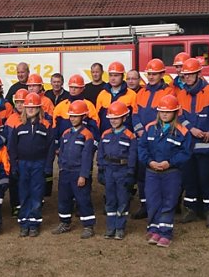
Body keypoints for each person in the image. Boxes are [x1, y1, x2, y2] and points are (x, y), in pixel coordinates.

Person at [137, 95, 191, 248]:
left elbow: (185, 153)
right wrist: (149, 162)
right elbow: (142, 148)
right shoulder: (150, 128)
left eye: (168, 112)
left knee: (169, 201)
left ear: (175, 112)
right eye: (162, 112)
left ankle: (165, 233)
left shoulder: (182, 131)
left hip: (171, 173)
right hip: (152, 171)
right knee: (153, 200)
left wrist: (170, 163)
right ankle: (154, 229)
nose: (165, 114)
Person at [176, 56, 209, 228]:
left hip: (205, 145)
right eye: (184, 75)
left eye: (190, 75)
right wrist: (191, 129)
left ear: (198, 74)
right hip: (187, 144)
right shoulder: (181, 94)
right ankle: (191, 208)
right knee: (189, 178)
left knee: (205, 178)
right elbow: (179, 116)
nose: (186, 78)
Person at [131, 58, 175, 219]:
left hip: (159, 139)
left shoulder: (168, 92)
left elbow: (167, 115)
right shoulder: (141, 92)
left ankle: (163, 205)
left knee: (161, 173)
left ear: (162, 74)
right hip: (142, 138)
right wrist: (140, 131)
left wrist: (149, 132)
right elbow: (135, 114)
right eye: (149, 74)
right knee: (142, 173)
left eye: (154, 74)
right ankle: (145, 204)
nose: (151, 77)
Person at [8, 92, 55, 237]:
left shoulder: (46, 125)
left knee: (36, 194)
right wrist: (14, 166)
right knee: (24, 193)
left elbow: (51, 147)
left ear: (39, 108)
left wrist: (48, 166)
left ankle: (34, 223)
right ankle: (24, 222)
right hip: (22, 164)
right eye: (28, 107)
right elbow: (12, 147)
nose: (30, 109)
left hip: (39, 164)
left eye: (34, 107)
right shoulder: (19, 126)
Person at [51, 100, 97, 239]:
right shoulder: (65, 133)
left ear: (83, 117)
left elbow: (87, 158)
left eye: (76, 116)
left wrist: (83, 175)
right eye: (71, 116)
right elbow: (62, 153)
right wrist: (61, 168)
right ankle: (65, 222)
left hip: (79, 173)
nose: (72, 119)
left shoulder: (87, 135)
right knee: (63, 199)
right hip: (65, 172)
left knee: (83, 199)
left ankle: (88, 225)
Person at [98, 102, 137, 240]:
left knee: (122, 200)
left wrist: (131, 173)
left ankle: (120, 227)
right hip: (108, 170)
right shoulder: (105, 134)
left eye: (117, 118)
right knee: (110, 200)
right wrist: (101, 169)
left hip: (123, 171)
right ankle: (110, 227)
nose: (113, 121)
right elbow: (101, 153)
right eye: (111, 118)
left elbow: (133, 156)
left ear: (124, 118)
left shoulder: (130, 136)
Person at [95, 61, 137, 132]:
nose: (113, 78)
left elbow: (135, 117)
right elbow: (97, 118)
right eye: (111, 75)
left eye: (116, 75)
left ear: (122, 76)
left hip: (125, 135)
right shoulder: (102, 94)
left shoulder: (132, 95)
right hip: (106, 135)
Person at [53, 74, 99, 138]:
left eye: (76, 87)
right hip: (65, 142)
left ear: (82, 88)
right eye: (71, 87)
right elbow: (54, 127)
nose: (73, 90)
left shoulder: (89, 105)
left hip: (83, 142)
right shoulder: (61, 106)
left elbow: (95, 127)